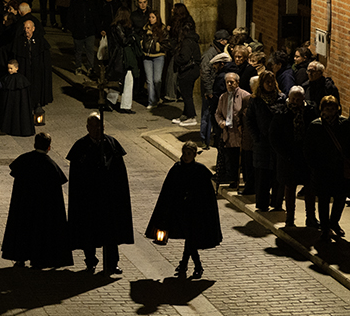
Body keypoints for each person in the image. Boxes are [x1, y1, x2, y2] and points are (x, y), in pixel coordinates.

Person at [66, 113, 133, 274]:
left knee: (111, 231)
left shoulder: (111, 144)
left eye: (100, 127)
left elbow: (119, 173)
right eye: (93, 127)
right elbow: (77, 175)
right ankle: (90, 260)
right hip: (89, 199)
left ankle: (112, 263)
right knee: (88, 231)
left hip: (108, 198)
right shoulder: (81, 146)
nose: (97, 130)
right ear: (87, 128)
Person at [144, 142, 222, 279]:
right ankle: (190, 265)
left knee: (190, 238)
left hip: (195, 213)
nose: (186, 157)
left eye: (189, 154)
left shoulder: (200, 170)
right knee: (189, 237)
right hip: (180, 212)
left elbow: (207, 195)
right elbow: (168, 192)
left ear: (194, 155)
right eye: (184, 153)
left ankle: (193, 265)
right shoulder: (176, 169)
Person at [1, 132, 73, 269]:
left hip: (24, 206)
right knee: (40, 232)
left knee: (22, 230)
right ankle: (38, 259)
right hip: (42, 209)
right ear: (49, 147)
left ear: (34, 144)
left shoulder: (24, 160)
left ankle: (20, 258)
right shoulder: (51, 166)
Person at [304, 95, 350, 241]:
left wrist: (348, 159)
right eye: (327, 108)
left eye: (333, 108)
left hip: (339, 169)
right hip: (322, 170)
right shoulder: (315, 126)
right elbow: (308, 148)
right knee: (323, 199)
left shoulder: (344, 124)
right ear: (322, 109)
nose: (330, 111)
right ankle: (325, 228)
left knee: (340, 198)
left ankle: (334, 222)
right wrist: (314, 165)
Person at [270, 86, 317, 228]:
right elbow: (274, 136)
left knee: (310, 188)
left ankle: (311, 218)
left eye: (298, 99)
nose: (295, 102)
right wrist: (285, 154)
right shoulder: (281, 113)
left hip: (306, 156)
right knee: (290, 188)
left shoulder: (310, 112)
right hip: (289, 158)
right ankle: (290, 218)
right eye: (293, 99)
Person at [246, 70, 285, 211]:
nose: (270, 85)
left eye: (272, 82)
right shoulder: (256, 100)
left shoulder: (281, 98)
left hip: (278, 144)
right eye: (267, 82)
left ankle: (276, 202)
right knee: (262, 176)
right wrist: (256, 137)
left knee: (277, 175)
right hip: (262, 144)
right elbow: (250, 120)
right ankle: (262, 204)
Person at [215, 72, 251, 189]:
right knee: (231, 158)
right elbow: (218, 113)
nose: (230, 84)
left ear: (237, 82)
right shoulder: (223, 97)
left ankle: (246, 182)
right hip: (228, 133)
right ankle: (233, 179)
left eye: (232, 82)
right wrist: (221, 122)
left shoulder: (245, 96)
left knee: (244, 160)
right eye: (227, 82)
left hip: (240, 133)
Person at [0, 60, 34, 137]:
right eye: (8, 68)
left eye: (11, 68)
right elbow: (4, 87)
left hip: (18, 103)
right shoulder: (7, 77)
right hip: (12, 103)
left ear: (17, 68)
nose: (9, 70)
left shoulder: (20, 79)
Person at [139, 10, 167, 109]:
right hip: (147, 56)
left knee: (157, 79)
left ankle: (158, 97)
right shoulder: (145, 28)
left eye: (153, 17)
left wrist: (159, 46)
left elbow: (166, 42)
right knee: (149, 80)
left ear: (157, 18)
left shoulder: (162, 29)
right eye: (150, 17)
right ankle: (151, 101)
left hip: (158, 56)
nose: (151, 19)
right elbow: (141, 38)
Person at [69, 0, 98, 76]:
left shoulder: (91, 4)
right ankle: (78, 67)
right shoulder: (75, 4)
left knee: (90, 50)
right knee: (78, 50)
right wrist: (73, 29)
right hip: (78, 32)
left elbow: (95, 17)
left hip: (89, 32)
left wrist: (96, 29)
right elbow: (70, 17)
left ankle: (90, 68)